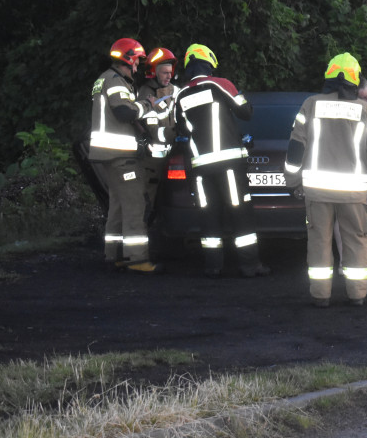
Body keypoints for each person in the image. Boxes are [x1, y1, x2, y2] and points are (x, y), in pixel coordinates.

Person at [285, 53, 367, 307]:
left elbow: (296, 147)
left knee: (319, 242)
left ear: (329, 76)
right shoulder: (363, 110)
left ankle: (321, 297)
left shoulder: (310, 104)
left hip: (317, 192)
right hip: (354, 193)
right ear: (355, 80)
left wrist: (293, 181)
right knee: (356, 241)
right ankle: (357, 295)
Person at [174, 44, 270, 278]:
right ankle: (249, 265)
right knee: (240, 212)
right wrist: (240, 96)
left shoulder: (181, 94)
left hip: (200, 168)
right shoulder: (220, 84)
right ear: (210, 61)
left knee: (209, 215)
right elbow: (245, 111)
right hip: (228, 164)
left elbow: (181, 130)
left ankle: (213, 267)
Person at [88, 38, 158, 273]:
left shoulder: (104, 79)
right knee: (134, 205)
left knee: (117, 206)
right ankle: (137, 259)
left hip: (109, 155)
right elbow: (124, 111)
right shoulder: (115, 81)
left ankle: (114, 255)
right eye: (137, 61)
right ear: (128, 58)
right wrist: (146, 105)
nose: (138, 67)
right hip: (120, 156)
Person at [137, 47, 180, 229]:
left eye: (170, 72)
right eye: (164, 72)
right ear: (153, 72)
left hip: (176, 157)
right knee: (149, 205)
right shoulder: (145, 95)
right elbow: (153, 131)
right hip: (153, 163)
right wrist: (177, 133)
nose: (168, 76)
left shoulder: (178, 92)